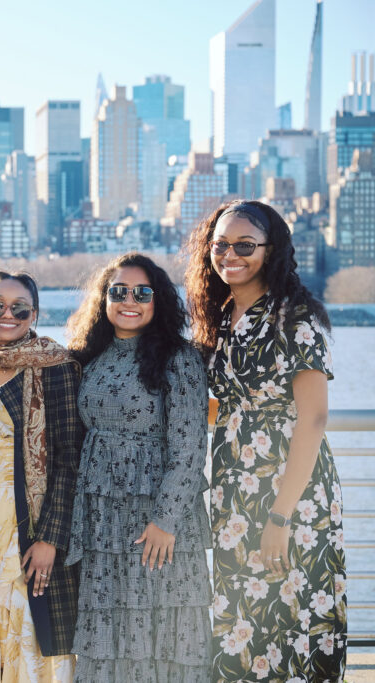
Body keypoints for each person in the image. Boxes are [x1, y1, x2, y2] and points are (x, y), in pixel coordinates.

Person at [185, 200, 347, 681]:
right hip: (236, 489)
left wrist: (281, 515)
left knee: (293, 618)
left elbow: (314, 418)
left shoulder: (294, 318)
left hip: (289, 490)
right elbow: (228, 402)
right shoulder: (221, 316)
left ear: (271, 250)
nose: (229, 254)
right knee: (241, 625)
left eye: (245, 245)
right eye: (219, 244)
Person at [65, 253, 211, 682]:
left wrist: (165, 520)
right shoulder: (91, 356)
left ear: (159, 300)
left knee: (162, 634)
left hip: (157, 523)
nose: (130, 300)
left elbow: (189, 446)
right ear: (103, 299)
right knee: (107, 637)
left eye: (142, 293)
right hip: (102, 522)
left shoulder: (179, 358)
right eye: (118, 292)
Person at [0, 271, 83, 682]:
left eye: (19, 307)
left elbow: (69, 458)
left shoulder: (57, 367)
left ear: (35, 313)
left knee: (32, 625)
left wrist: (50, 538)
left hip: (32, 519)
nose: (6, 314)